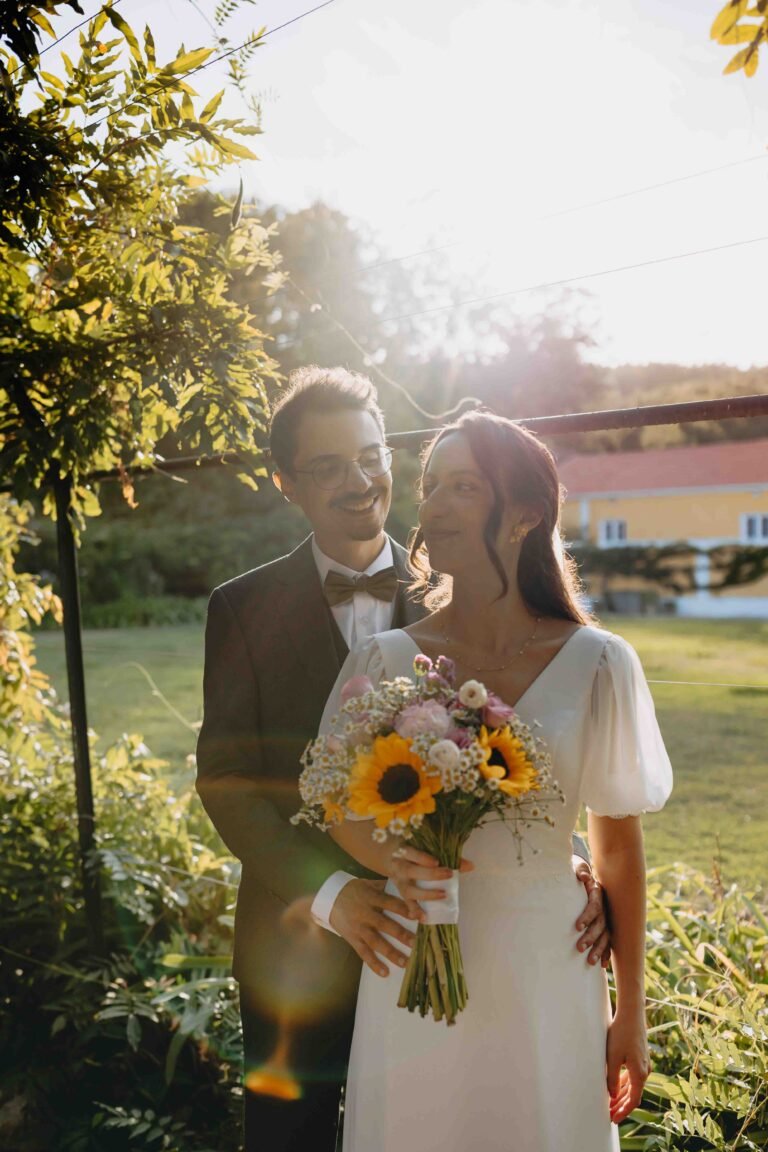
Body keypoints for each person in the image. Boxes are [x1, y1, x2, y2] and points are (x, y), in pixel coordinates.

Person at [196, 368, 611, 1152]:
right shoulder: (241, 609)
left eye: (370, 454)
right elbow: (226, 783)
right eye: (327, 468)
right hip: (300, 947)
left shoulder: (468, 594)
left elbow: (524, 749)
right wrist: (334, 895)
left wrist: (576, 864)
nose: (359, 483)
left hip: (459, 944)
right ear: (286, 482)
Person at [321, 409, 673, 1152]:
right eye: (431, 486)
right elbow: (337, 806)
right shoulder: (385, 662)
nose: (436, 505)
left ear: (524, 515)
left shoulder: (601, 664)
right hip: (413, 959)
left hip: (549, 964)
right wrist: (397, 864)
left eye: (464, 487)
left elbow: (617, 849)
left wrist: (630, 1011)